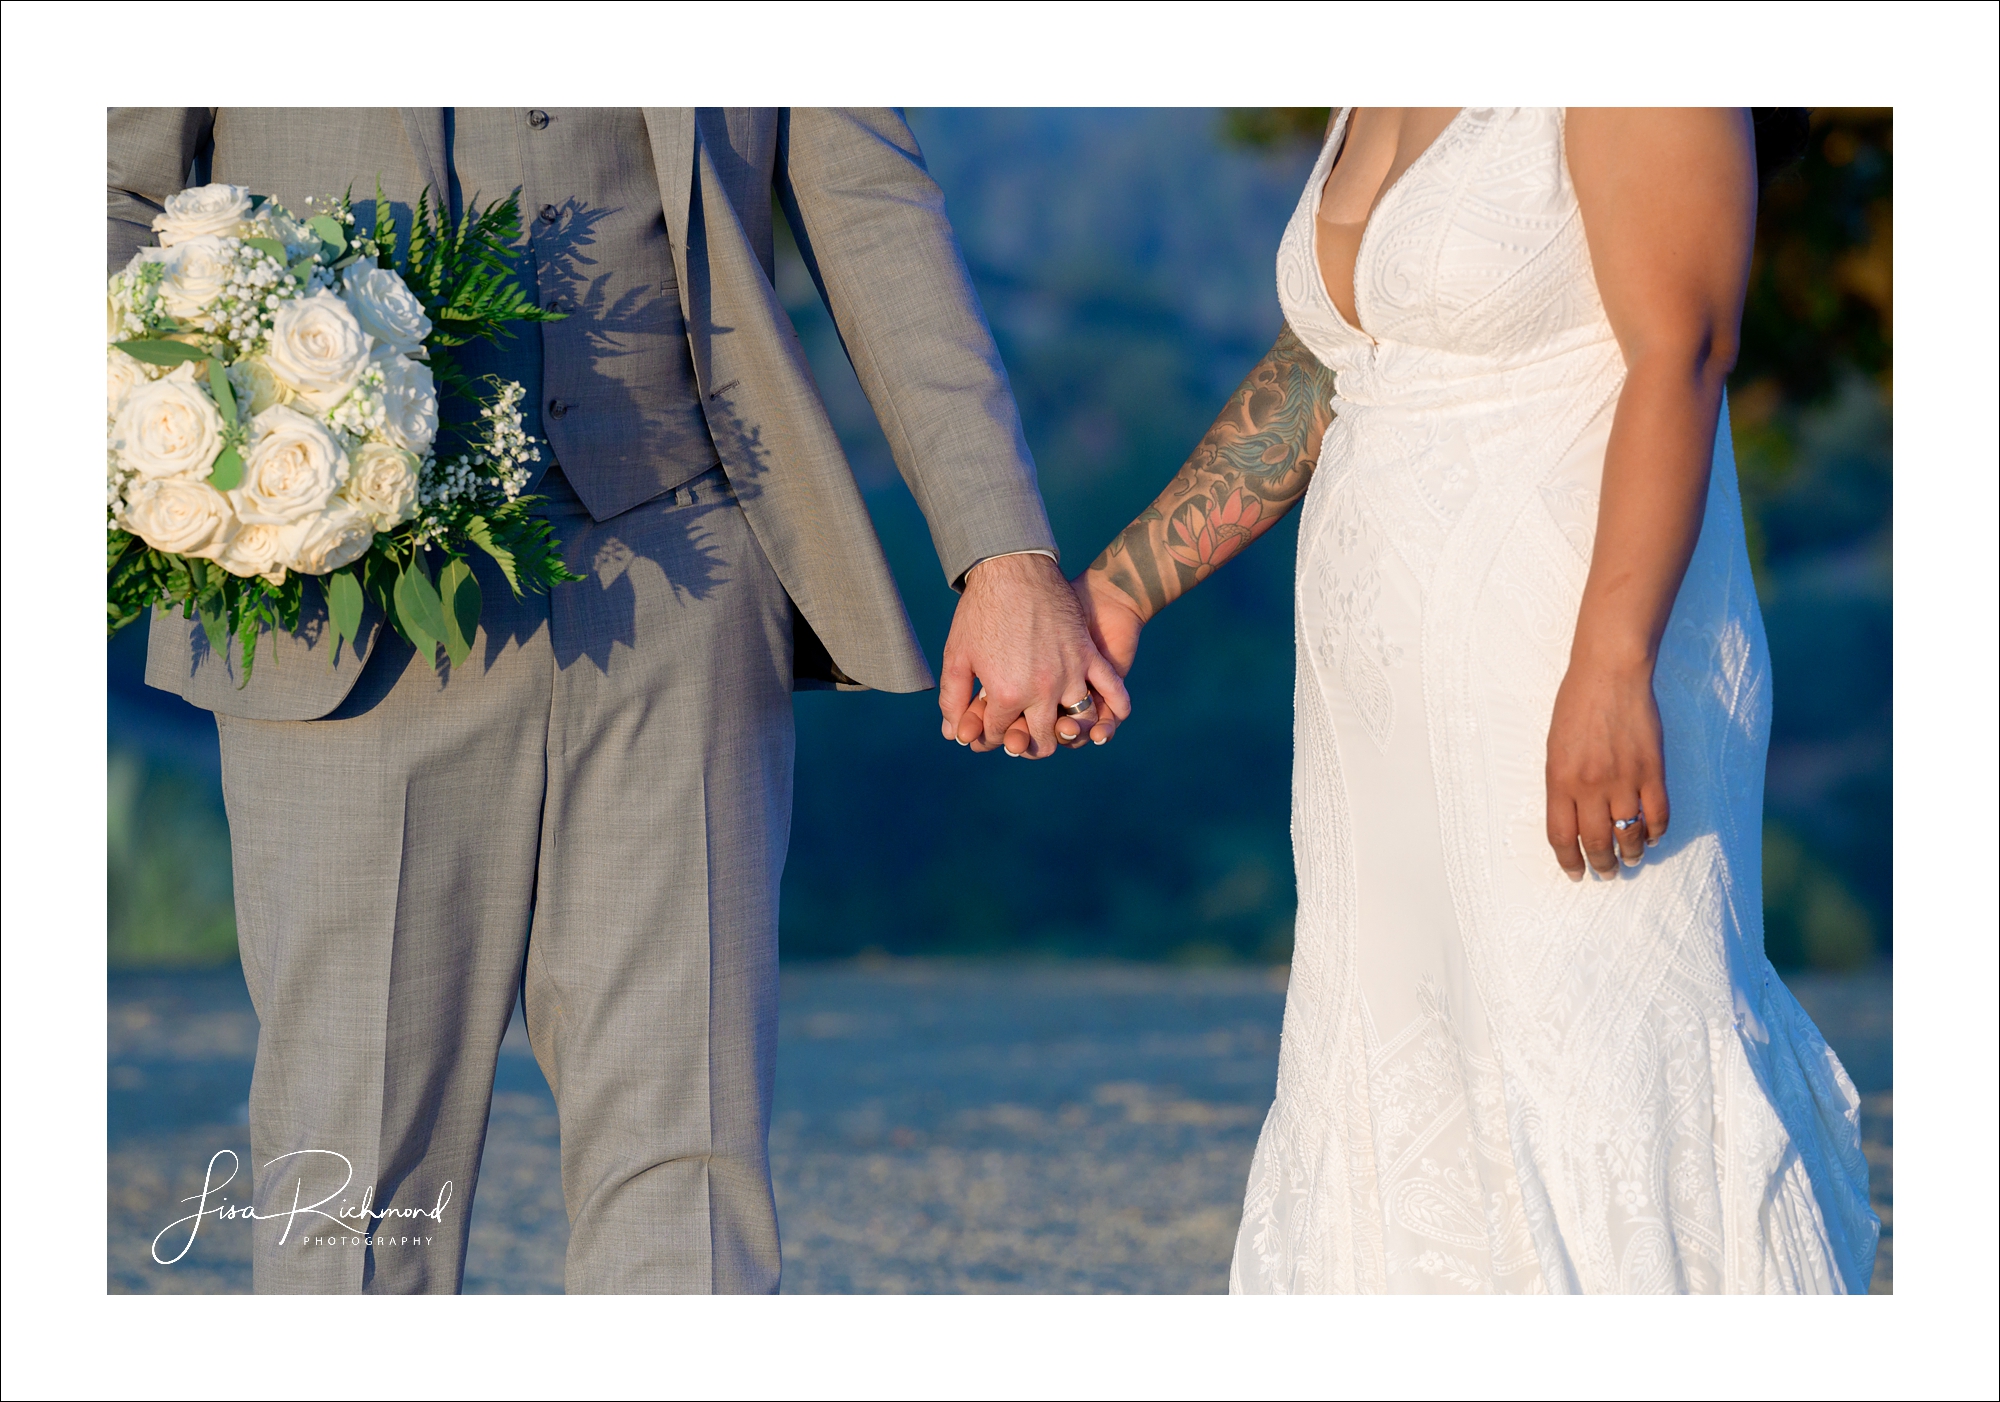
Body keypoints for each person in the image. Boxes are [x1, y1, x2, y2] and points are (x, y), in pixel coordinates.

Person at [109, 107, 1126, 1294]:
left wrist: (1002, 557)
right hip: (342, 597)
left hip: (685, 562)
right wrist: (193, 410)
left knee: (685, 1160)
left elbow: (870, 202)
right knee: (353, 1177)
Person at [1005, 108, 1879, 1292]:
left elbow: (1682, 344)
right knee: (1412, 1073)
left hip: (1570, 674)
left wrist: (1612, 667)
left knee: (1599, 1065)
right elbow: (1338, 355)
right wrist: (1121, 585)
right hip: (1380, 734)